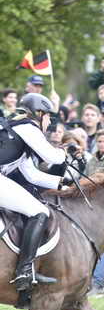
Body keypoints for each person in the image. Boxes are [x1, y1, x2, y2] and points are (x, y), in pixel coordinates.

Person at [0, 93, 66, 293]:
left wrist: (63, 184)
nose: (48, 122)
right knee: (41, 212)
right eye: (48, 117)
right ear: (39, 113)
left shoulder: (17, 128)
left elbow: (32, 175)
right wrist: (67, 152)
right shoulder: (28, 126)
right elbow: (52, 156)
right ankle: (24, 271)